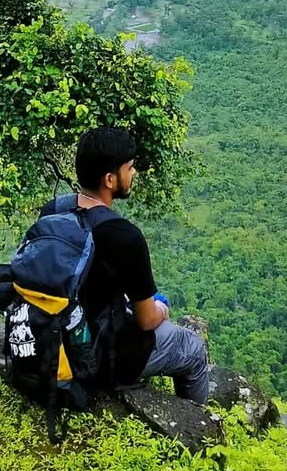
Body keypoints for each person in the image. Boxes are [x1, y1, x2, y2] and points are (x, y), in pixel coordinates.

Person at [40, 126, 210, 403]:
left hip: (50, 339)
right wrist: (161, 308)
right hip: (98, 357)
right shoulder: (123, 236)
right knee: (192, 348)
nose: (133, 174)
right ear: (110, 178)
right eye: (129, 168)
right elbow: (146, 321)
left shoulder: (53, 210)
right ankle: (199, 421)